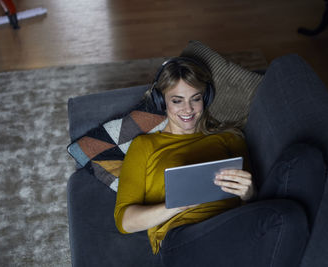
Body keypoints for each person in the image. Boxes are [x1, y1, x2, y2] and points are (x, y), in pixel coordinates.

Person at [114, 57, 311, 266]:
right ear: (162, 101)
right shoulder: (145, 145)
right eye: (177, 100)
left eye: (195, 98)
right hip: (183, 238)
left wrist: (250, 192)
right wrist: (176, 205)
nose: (188, 109)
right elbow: (125, 221)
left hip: (235, 228)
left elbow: (252, 206)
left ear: (205, 98)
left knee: (306, 157)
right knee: (286, 217)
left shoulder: (229, 137)